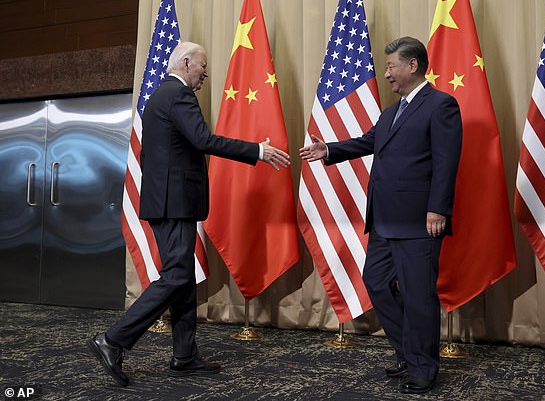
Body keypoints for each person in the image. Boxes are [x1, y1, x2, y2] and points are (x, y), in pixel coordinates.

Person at [87, 41, 291, 387]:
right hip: (174, 201)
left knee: (180, 276)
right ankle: (113, 340)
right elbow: (203, 140)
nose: (205, 73)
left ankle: (184, 355)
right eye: (202, 66)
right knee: (177, 276)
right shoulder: (178, 95)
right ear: (185, 63)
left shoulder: (158, 96)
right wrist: (257, 150)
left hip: (166, 200)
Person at [300, 36, 462, 394]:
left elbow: (446, 163)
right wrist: (328, 149)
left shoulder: (441, 105)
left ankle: (424, 367)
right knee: (376, 283)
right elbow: (368, 142)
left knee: (419, 295)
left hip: (420, 221)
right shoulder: (391, 112)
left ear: (412, 66)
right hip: (385, 221)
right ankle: (409, 352)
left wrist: (438, 208)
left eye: (391, 66)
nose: (386, 74)